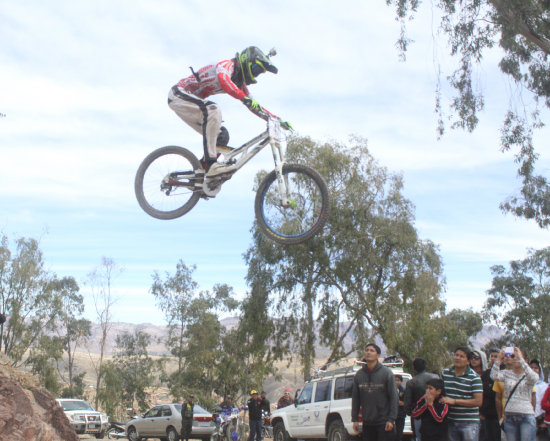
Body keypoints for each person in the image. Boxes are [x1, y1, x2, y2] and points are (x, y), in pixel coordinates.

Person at [168, 46, 291, 177]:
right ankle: (211, 165)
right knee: (213, 110)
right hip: (179, 94)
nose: (255, 75)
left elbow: (254, 106)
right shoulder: (227, 65)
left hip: (190, 103)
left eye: (259, 73)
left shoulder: (239, 84)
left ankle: (203, 175)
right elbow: (224, 81)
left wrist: (276, 119)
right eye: (256, 70)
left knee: (222, 135)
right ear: (246, 60)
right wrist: (243, 97)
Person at [490, 347, 539, 441]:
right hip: (510, 416)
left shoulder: (528, 375)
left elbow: (534, 378)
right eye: (509, 356)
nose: (510, 358)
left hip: (526, 416)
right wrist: (499, 359)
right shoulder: (507, 373)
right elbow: (493, 376)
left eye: (513, 356)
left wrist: (521, 360)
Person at [352, 343, 399, 441]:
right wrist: (355, 419)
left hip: (384, 422)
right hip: (367, 423)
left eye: (372, 350)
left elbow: (394, 398)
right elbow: (356, 399)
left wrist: (391, 419)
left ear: (378, 355)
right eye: (367, 350)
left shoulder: (386, 373)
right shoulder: (359, 375)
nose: (368, 352)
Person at [440, 346, 483, 441]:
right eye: (456, 355)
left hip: (469, 423)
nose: (457, 358)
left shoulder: (474, 378)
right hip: (450, 420)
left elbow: (478, 402)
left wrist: (454, 401)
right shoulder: (445, 373)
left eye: (462, 356)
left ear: (468, 361)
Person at [404, 358, 439, 441]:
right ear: (425, 366)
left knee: (418, 437)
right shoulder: (436, 377)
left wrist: (411, 412)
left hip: (418, 415)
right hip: (435, 413)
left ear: (414, 367)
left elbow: (407, 402)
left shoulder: (411, 382)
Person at [480, 348, 501, 441]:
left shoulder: (505, 373)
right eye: (491, 356)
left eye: (496, 356)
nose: (493, 358)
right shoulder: (485, 374)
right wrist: (481, 411)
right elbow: (481, 393)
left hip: (500, 415)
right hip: (487, 414)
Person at [529, 359, 548, 438]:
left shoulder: (545, 386)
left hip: (541, 421)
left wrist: (545, 422)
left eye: (536, 368)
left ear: (540, 370)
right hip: (527, 419)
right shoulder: (525, 385)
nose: (534, 370)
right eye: (531, 368)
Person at [396, 375, 406, 441]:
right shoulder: (391, 390)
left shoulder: (404, 391)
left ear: (401, 381)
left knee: (399, 433)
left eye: (398, 380)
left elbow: (405, 403)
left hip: (400, 415)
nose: (396, 382)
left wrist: (399, 402)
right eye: (395, 380)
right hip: (392, 415)